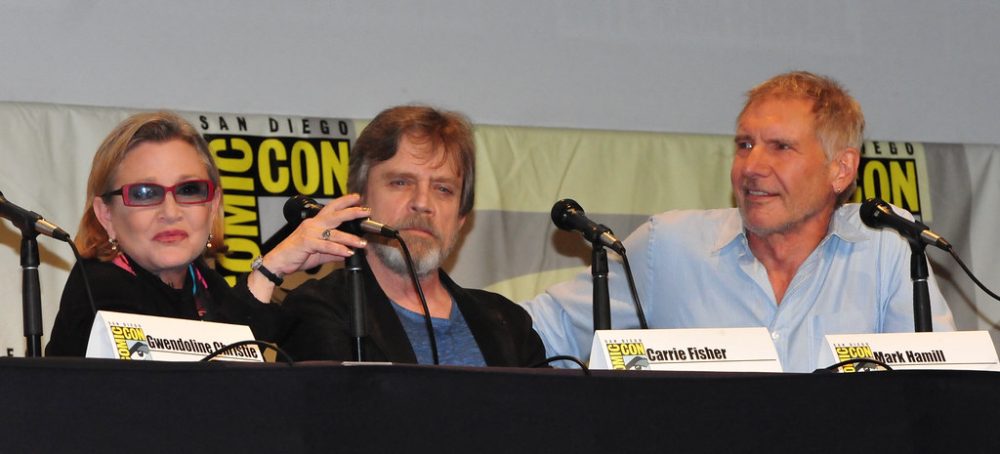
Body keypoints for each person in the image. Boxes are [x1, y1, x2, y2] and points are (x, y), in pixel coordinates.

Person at [521, 71, 955, 372]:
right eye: (745, 144)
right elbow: (537, 330)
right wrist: (452, 312)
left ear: (840, 170)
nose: (752, 166)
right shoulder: (668, 247)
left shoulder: (886, 246)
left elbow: (942, 391)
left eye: (780, 147)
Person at [45, 111, 366, 356]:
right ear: (106, 215)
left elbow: (248, 331)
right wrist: (270, 268)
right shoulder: (99, 286)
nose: (171, 211)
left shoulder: (201, 281)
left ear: (213, 206)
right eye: (144, 192)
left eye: (189, 189)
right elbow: (193, 375)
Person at [273, 105, 546, 366]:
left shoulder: (508, 323)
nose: (422, 203)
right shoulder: (320, 310)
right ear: (358, 200)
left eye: (443, 189)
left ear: (462, 218)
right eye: (401, 182)